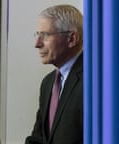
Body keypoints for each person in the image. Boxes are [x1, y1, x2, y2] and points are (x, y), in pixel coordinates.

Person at [25, 4, 83, 144]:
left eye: (44, 35)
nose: (37, 44)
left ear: (72, 39)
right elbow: (39, 138)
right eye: (37, 35)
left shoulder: (97, 80)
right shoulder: (48, 82)